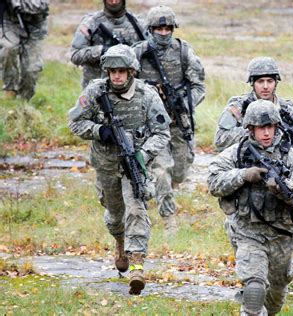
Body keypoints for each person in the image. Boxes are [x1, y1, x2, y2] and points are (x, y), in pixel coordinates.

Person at [68, 44, 171, 295]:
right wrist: (99, 131)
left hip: (134, 164)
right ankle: (120, 244)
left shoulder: (147, 96)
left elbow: (162, 133)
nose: (117, 76)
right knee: (115, 216)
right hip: (105, 164)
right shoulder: (95, 92)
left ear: (131, 71)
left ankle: (137, 266)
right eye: (112, 71)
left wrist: (142, 155)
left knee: (136, 209)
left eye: (122, 71)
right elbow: (75, 122)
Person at [207, 100, 293, 315]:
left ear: (276, 127)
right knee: (255, 290)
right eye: (260, 128)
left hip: (282, 235)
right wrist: (243, 175)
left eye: (270, 127)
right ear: (250, 129)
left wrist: (286, 189)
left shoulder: (291, 157)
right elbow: (213, 182)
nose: (266, 133)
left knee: (274, 298)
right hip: (248, 232)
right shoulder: (237, 153)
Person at [133, 5, 205, 234]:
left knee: (180, 171)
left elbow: (199, 86)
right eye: (158, 28)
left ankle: (163, 189)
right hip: (151, 126)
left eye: (167, 28)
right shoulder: (138, 53)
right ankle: (169, 220)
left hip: (178, 121)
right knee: (162, 170)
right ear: (150, 29)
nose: (163, 33)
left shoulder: (184, 52)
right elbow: (124, 84)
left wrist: (185, 103)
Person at [214, 57, 293, 156]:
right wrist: (253, 132)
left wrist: (288, 143)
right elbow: (220, 141)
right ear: (252, 83)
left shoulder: (288, 111)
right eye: (260, 81)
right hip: (246, 163)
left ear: (276, 83)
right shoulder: (238, 108)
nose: (265, 86)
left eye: (270, 81)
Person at [70, 0, 145, 89]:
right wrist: (101, 51)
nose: (113, 2)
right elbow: (75, 55)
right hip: (96, 90)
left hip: (130, 90)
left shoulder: (137, 23)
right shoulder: (91, 23)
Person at [0, 0, 49, 100]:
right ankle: (10, 89)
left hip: (36, 26)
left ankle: (24, 99)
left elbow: (41, 6)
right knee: (8, 48)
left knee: (31, 68)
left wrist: (17, 3)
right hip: (10, 21)